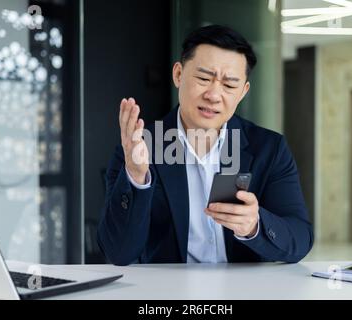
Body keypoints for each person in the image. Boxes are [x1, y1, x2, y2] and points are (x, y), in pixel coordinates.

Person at [98, 25, 313, 265]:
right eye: (203, 78)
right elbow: (118, 253)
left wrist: (255, 225)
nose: (213, 95)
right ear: (178, 75)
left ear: (243, 92)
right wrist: (137, 179)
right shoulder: (142, 147)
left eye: (229, 85)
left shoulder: (269, 149)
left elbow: (300, 239)